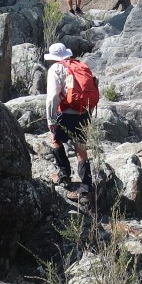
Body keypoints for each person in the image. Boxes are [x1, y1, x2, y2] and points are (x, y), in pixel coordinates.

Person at [44, 42, 93, 194]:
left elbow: (53, 96)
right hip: (83, 112)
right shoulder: (80, 65)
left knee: (55, 140)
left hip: (65, 113)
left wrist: (51, 120)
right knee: (81, 147)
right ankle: (86, 186)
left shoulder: (55, 69)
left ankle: (64, 174)